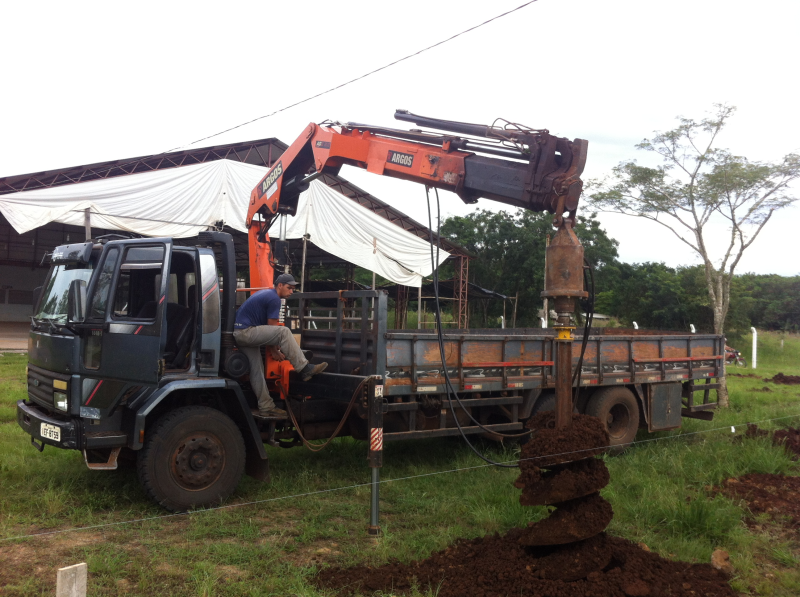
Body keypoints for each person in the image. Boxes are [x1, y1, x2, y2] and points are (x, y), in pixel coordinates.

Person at [233, 273, 328, 417]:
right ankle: (304, 367)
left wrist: (273, 348)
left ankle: (266, 406)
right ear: (279, 285)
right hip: (246, 332)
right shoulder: (274, 299)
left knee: (256, 369)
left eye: (293, 289)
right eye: (289, 288)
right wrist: (275, 350)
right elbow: (273, 328)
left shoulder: (265, 294)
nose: (291, 292)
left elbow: (269, 331)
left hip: (240, 334)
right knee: (284, 332)